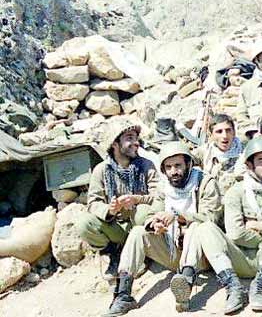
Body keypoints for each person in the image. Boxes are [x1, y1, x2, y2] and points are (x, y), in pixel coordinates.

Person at [104, 142, 235, 316]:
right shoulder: (164, 186)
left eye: (178, 165)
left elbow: (211, 219)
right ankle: (123, 294)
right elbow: (153, 212)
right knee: (138, 232)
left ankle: (186, 283)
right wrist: (154, 224)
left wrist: (179, 216)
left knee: (196, 227)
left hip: (202, 255)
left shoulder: (205, 182)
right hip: (174, 251)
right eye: (168, 167)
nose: (174, 171)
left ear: (188, 164)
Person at [195, 137, 262, 313]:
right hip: (242, 259)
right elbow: (236, 234)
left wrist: (260, 226)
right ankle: (233, 286)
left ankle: (260, 286)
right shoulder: (236, 192)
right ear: (249, 165)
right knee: (204, 228)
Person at [76, 119, 158, 282]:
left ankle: (144, 252)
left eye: (136, 138)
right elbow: (93, 202)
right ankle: (115, 253)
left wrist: (137, 199)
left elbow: (159, 196)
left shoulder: (146, 165)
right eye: (129, 138)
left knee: (143, 212)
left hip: (140, 225)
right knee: (84, 224)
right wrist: (110, 210)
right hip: (117, 227)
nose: (136, 143)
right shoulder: (101, 170)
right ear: (114, 143)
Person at [195, 114, 244, 195]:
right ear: (211, 135)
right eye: (219, 132)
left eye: (228, 130)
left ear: (234, 132)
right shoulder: (204, 152)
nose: (225, 136)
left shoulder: (245, 151)